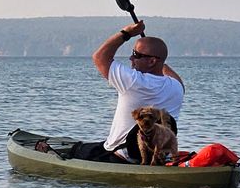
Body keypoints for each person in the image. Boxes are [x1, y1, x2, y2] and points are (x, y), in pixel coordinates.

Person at [64, 21, 185, 163]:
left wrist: (127, 32)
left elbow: (99, 57)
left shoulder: (133, 81)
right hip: (157, 157)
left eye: (136, 54)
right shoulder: (177, 87)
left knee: (74, 151)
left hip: (119, 156)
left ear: (152, 61)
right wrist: (160, 62)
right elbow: (172, 75)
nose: (131, 58)